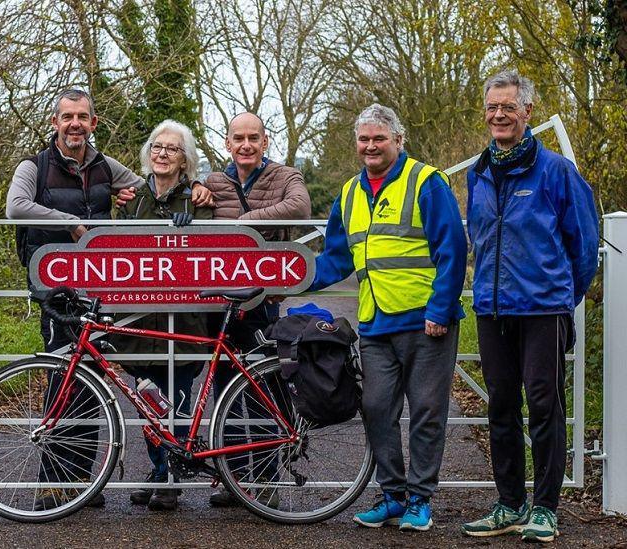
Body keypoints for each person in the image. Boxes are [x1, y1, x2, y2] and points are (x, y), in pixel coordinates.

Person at [6, 89, 211, 511]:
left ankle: (84, 482)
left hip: (101, 293)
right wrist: (75, 224)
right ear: (55, 121)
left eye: (82, 116)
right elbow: (16, 207)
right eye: (67, 116)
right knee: (65, 382)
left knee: (94, 385)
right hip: (58, 289)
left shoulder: (104, 166)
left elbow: (154, 188)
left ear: (93, 123)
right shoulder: (35, 165)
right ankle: (55, 484)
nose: (75, 123)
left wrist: (200, 187)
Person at [307, 104, 467, 531]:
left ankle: (421, 498)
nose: (371, 146)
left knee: (427, 411)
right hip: (375, 321)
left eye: (379, 138)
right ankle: (393, 495)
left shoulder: (426, 182)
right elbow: (336, 258)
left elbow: (453, 249)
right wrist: (292, 278)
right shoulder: (350, 193)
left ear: (398, 140)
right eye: (364, 139)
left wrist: (440, 309)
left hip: (425, 321)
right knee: (376, 408)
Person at [461, 70, 599, 543]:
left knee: (543, 406)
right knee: (501, 406)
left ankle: (544, 508)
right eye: (492, 107)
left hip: (543, 310)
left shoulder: (557, 171)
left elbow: (584, 247)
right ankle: (509, 504)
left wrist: (561, 297)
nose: (499, 115)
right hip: (492, 309)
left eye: (508, 107)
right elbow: (478, 238)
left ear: (527, 112)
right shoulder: (477, 173)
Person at [200, 112, 311, 508]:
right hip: (221, 302)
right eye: (238, 138)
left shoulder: (284, 177)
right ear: (227, 143)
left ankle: (263, 482)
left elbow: (299, 207)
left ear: (265, 141)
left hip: (263, 300)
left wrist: (247, 222)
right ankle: (233, 478)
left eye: (253, 138)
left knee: (263, 388)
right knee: (224, 388)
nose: (245, 145)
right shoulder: (214, 181)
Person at [116, 120, 212, 511]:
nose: (163, 154)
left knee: (177, 398)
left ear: (185, 159)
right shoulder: (133, 200)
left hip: (182, 319)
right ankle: (159, 469)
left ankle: (172, 477)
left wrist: (191, 231)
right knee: (147, 400)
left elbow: (207, 252)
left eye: (172, 149)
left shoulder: (198, 200)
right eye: (157, 147)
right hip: (140, 320)